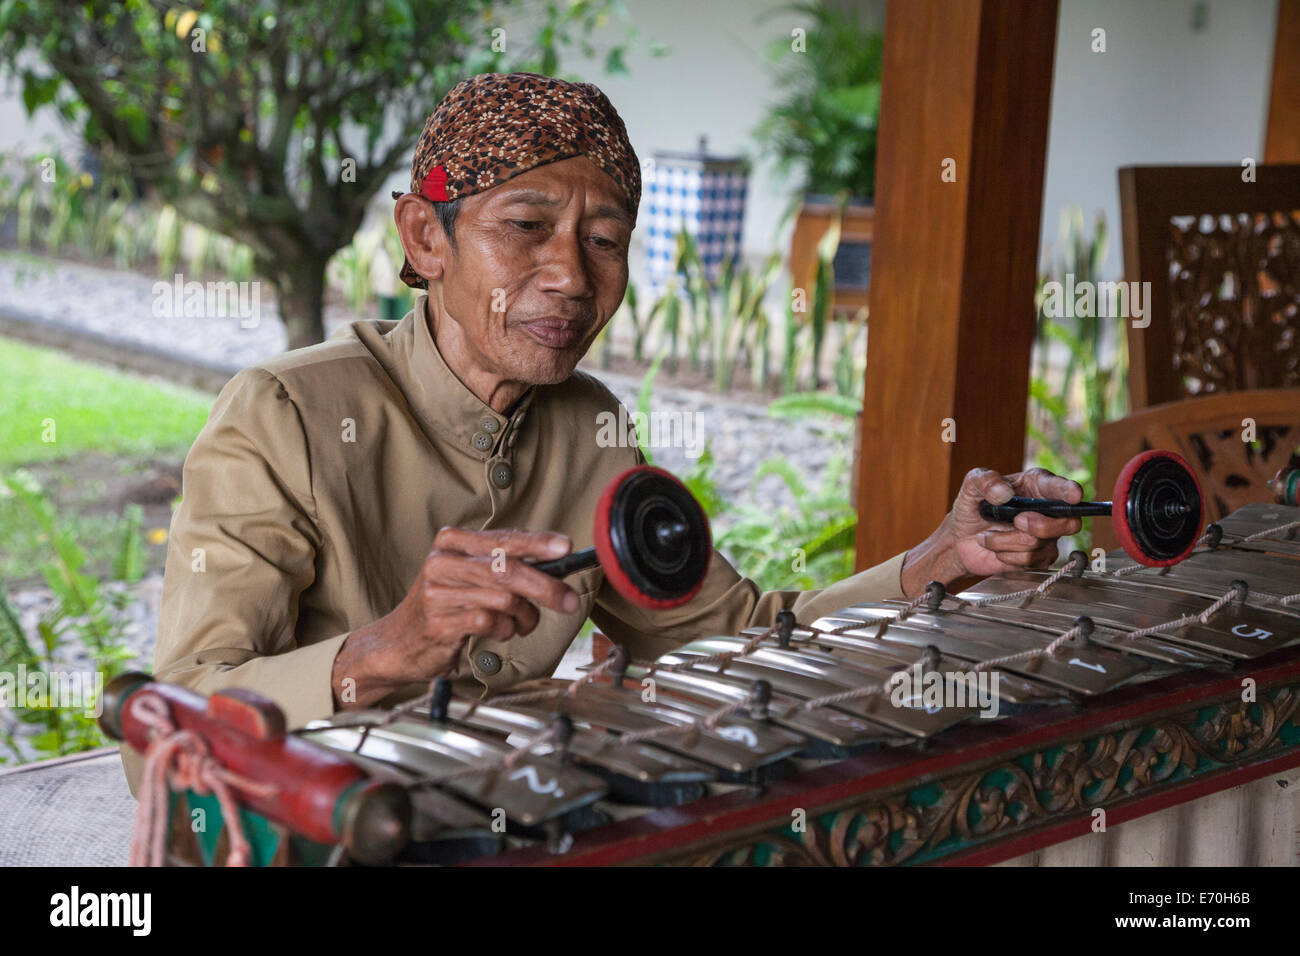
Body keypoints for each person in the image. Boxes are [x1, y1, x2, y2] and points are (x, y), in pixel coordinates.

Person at [122, 72, 1081, 790]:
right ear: (426, 238)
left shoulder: (593, 428)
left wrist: (935, 560)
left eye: (605, 240)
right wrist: (381, 652)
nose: (573, 278)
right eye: (526, 226)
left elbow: (731, 638)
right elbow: (165, 734)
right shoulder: (283, 414)